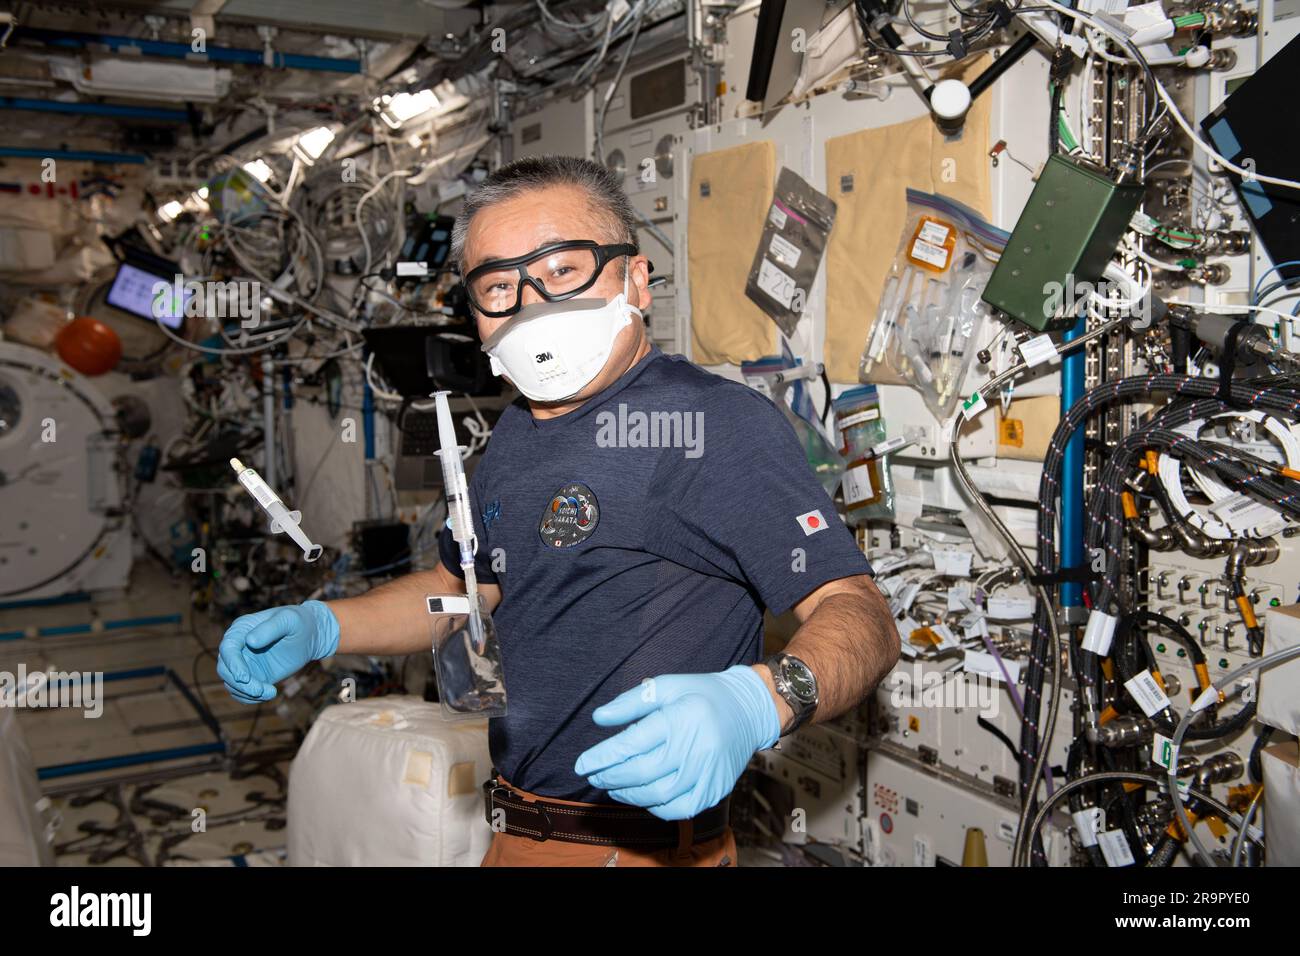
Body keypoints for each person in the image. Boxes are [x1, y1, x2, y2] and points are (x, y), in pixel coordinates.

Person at [217, 155, 900, 867]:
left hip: (639, 850)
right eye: (500, 286)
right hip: (517, 832)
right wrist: (325, 624)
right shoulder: (518, 430)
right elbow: (463, 593)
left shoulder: (712, 425)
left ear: (636, 279)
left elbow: (862, 615)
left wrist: (764, 698)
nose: (532, 304)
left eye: (564, 270)